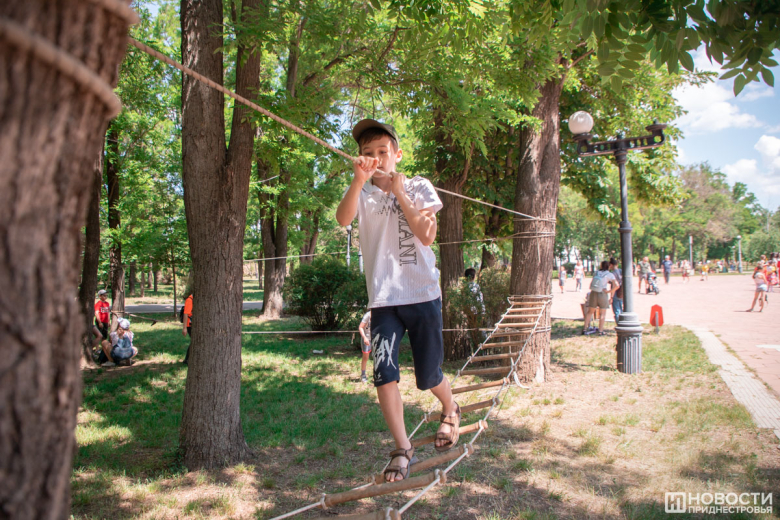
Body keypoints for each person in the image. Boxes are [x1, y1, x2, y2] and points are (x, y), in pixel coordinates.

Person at [335, 119, 458, 483]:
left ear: (397, 154)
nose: (376, 159)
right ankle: (403, 448)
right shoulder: (362, 193)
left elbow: (426, 235)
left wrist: (400, 192)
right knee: (384, 374)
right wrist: (358, 181)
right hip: (384, 300)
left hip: (422, 294)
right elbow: (343, 219)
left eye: (382, 152)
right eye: (367, 153)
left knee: (428, 376)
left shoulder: (419, 186)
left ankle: (450, 407)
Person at [582, 261, 618, 335]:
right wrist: (609, 292)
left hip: (593, 292)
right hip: (602, 293)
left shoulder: (596, 273)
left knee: (590, 312)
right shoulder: (609, 274)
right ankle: (600, 330)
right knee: (602, 313)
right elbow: (617, 285)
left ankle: (585, 328)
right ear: (609, 266)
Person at [358, 310, 372, 383]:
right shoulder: (368, 315)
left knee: (378, 357)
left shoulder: (379, 314)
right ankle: (363, 375)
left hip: (376, 338)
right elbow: (360, 327)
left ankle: (378, 374)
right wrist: (364, 338)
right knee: (365, 357)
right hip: (367, 338)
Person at [609, 258, 623, 323]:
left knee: (617, 310)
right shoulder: (621, 271)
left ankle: (619, 323)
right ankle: (623, 322)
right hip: (621, 292)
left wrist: (611, 296)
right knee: (621, 308)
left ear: (611, 265)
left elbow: (613, 285)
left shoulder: (612, 274)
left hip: (615, 292)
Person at [181, 292, 193, 365]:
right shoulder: (189, 300)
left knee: (193, 341)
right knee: (194, 341)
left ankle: (187, 359)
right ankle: (187, 359)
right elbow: (186, 314)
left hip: (193, 324)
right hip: (189, 325)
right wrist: (184, 328)